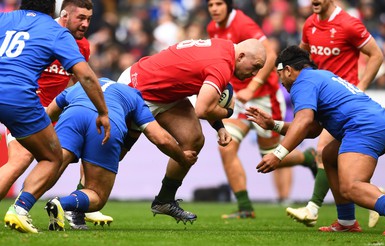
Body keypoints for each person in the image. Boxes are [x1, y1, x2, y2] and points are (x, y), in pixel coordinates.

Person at [246, 45, 385, 235]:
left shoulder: (301, 83)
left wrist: (277, 154)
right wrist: (273, 125)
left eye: (279, 74)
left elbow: (303, 121)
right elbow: (313, 129)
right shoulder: (320, 76)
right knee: (328, 156)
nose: (281, 81)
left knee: (351, 186)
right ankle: (346, 220)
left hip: (364, 127)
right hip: (378, 123)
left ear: (288, 70)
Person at [117, 38, 264, 224]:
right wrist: (229, 111)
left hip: (166, 92)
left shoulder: (224, 47)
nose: (256, 73)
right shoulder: (222, 65)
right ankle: (81, 200)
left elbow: (194, 78)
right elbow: (202, 109)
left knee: (193, 139)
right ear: (241, 56)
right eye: (256, 66)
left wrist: (219, 126)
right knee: (114, 153)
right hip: (139, 89)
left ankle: (164, 200)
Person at [0, 0, 112, 228]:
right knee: (42, 158)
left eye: (88, 19)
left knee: (88, 136)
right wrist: (103, 111)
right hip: (25, 103)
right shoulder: (55, 33)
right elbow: (87, 77)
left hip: (46, 109)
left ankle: (82, 204)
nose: (85, 24)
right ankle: (20, 209)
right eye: (80, 17)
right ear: (59, 11)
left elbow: (75, 82)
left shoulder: (6, 19)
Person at [206, 0, 317, 218]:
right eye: (210, 5)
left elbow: (271, 53)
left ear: (228, 6)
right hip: (238, 98)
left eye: (219, 4)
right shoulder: (212, 28)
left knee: (269, 154)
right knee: (225, 146)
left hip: (264, 97)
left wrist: (253, 86)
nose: (214, 9)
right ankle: (245, 207)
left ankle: (309, 158)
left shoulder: (243, 24)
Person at [44, 78, 197, 231]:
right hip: (106, 125)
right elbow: (161, 139)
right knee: (97, 194)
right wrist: (182, 159)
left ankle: (22, 205)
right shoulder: (135, 97)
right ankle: (64, 204)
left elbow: (49, 114)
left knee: (50, 167)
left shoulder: (84, 84)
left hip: (72, 116)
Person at [285, 0, 384, 228]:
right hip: (322, 101)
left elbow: (376, 54)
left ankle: (313, 208)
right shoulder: (310, 24)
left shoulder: (349, 24)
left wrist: (361, 87)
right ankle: (362, 205)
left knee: (323, 152)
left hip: (343, 104)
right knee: (333, 159)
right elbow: (302, 57)